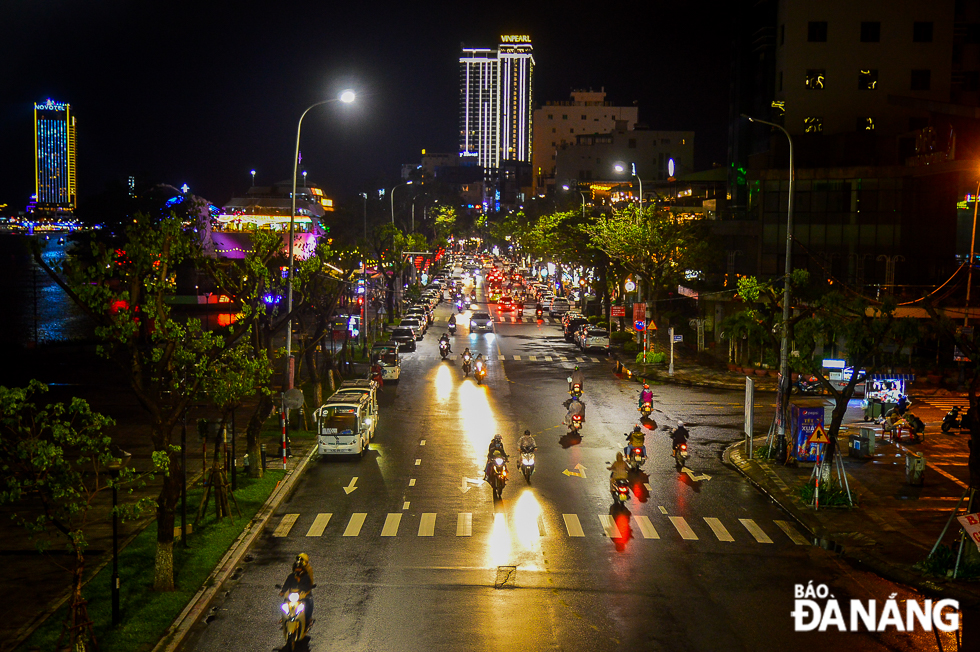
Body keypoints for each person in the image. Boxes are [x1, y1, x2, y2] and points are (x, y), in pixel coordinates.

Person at [280, 554, 315, 623]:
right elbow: (287, 583)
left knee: (309, 603)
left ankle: (308, 619)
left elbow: (309, 583)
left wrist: (306, 590)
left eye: (299, 568)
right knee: (285, 603)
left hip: (303, 593)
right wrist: (283, 591)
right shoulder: (291, 576)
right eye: (296, 568)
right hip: (293, 593)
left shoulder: (306, 575)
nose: (298, 570)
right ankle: (284, 617)